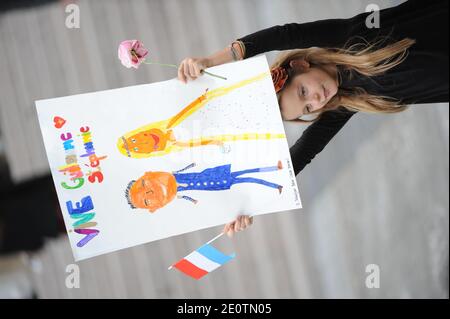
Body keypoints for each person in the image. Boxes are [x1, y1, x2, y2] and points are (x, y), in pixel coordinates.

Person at [176, 0, 449, 237]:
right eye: (307, 108)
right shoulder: (347, 101)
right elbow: (303, 154)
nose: (316, 100)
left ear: (300, 65)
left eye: (303, 91)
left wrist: (214, 60)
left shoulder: (349, 38)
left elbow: (285, 35)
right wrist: (250, 205)